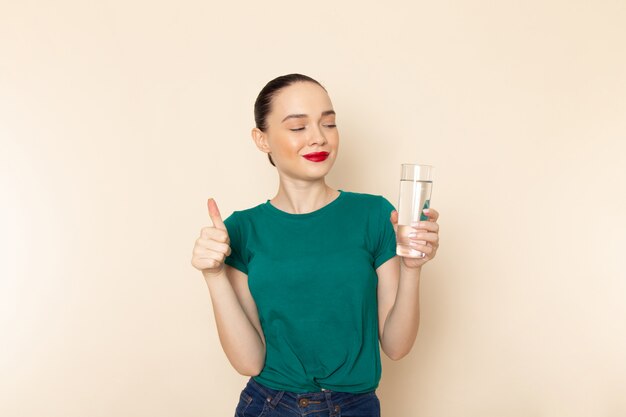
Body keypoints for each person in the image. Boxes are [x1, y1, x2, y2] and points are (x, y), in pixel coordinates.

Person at [191, 74, 440, 417]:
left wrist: (413, 269)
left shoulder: (375, 215)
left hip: (356, 406)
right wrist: (214, 275)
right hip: (268, 406)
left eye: (329, 123)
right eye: (298, 127)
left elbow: (396, 347)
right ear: (262, 140)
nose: (319, 138)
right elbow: (248, 361)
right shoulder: (241, 229)